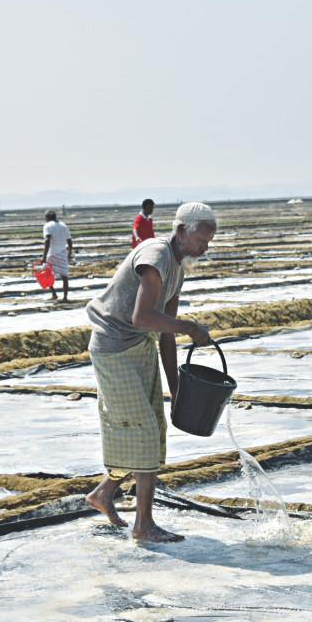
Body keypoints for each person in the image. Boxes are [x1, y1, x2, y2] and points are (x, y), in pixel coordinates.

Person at [84, 201, 216, 542]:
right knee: (141, 431)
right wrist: (189, 325)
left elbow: (166, 332)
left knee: (153, 428)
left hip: (137, 347)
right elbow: (142, 318)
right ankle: (143, 526)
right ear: (182, 230)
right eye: (202, 239)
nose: (206, 247)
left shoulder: (178, 268)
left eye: (210, 241)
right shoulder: (156, 255)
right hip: (114, 348)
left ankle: (102, 494)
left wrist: (178, 392)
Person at [39, 210, 73, 302]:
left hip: (51, 253)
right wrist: (69, 254)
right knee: (64, 276)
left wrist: (44, 256)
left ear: (47, 218)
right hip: (62, 252)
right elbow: (69, 240)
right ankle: (65, 297)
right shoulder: (63, 225)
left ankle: (54, 294)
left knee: (45, 274)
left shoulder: (47, 226)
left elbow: (47, 240)